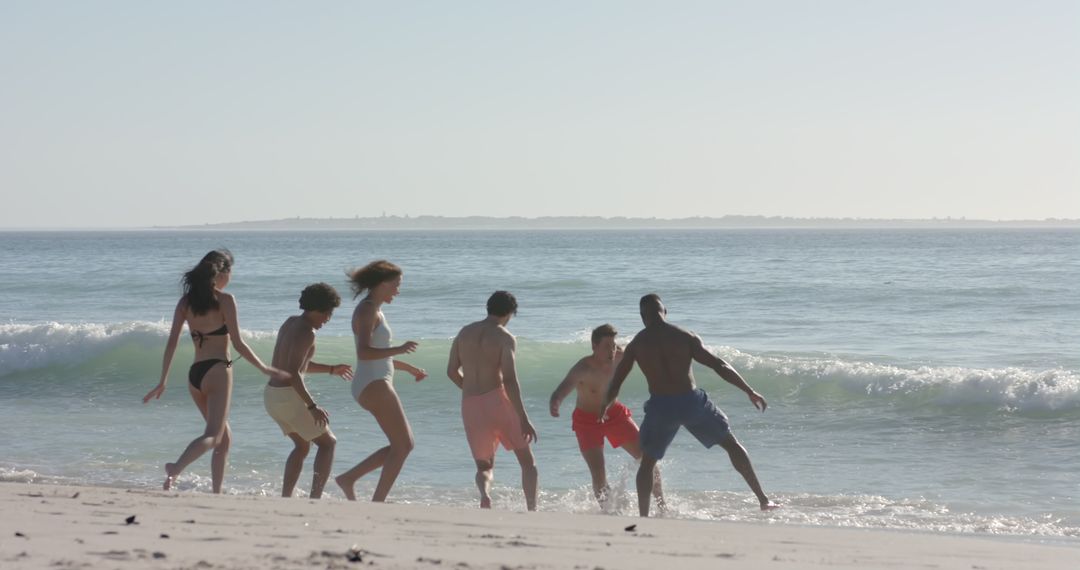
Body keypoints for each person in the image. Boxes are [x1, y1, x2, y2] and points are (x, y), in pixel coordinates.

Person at [600, 294, 779, 516]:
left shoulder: (637, 344)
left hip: (661, 408)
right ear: (664, 312)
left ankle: (644, 517)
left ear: (642, 317)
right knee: (731, 445)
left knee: (647, 463)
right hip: (690, 402)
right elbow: (719, 365)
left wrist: (604, 408)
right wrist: (749, 390)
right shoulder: (684, 336)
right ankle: (763, 500)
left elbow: (617, 383)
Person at [143, 249, 285, 493]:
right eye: (231, 272)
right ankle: (176, 467)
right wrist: (264, 367)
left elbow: (172, 342)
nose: (231, 278)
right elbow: (238, 343)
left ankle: (216, 491)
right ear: (222, 273)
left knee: (224, 438)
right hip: (219, 370)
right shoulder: (225, 300)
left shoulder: (186, 303)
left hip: (195, 375)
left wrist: (163, 380)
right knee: (212, 435)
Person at [335, 260, 427, 502]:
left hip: (373, 382)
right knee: (404, 445)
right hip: (374, 384)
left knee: (401, 445)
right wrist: (399, 348)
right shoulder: (367, 310)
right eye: (396, 285)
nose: (398, 291)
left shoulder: (375, 310)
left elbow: (378, 355)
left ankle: (349, 479)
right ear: (382, 284)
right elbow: (364, 353)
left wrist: (408, 368)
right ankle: (376, 500)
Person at [550, 324, 664, 511]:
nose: (612, 351)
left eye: (613, 345)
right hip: (587, 422)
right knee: (598, 472)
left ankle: (661, 506)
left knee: (647, 458)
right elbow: (562, 389)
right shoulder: (583, 368)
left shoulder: (620, 357)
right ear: (594, 346)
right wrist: (555, 401)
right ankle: (609, 511)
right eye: (606, 347)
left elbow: (642, 350)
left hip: (615, 415)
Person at [447, 291, 538, 510]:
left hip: (470, 404)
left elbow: (451, 371)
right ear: (510, 313)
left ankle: (485, 495)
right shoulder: (505, 337)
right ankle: (532, 508)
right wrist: (523, 417)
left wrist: (471, 390)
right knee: (527, 462)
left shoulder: (464, 332)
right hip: (496, 399)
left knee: (484, 466)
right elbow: (509, 379)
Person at [265, 283, 353, 498]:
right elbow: (294, 373)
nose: (328, 319)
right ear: (318, 309)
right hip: (288, 396)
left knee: (302, 446)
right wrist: (312, 407)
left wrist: (331, 369)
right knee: (328, 443)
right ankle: (315, 498)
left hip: (272, 395)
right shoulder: (307, 332)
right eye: (328, 313)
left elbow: (294, 365)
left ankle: (286, 496)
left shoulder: (290, 323)